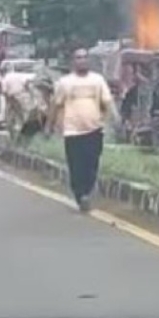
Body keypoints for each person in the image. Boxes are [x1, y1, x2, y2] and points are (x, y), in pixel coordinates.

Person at [45, 48, 120, 212]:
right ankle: (81, 195)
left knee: (92, 163)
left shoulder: (97, 80)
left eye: (85, 57)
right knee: (76, 165)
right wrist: (49, 126)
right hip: (73, 131)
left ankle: (87, 191)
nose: (82, 60)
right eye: (78, 58)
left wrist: (115, 118)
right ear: (74, 61)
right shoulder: (65, 82)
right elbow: (55, 105)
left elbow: (107, 101)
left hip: (94, 129)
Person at [0, 63, 35, 142]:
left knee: (11, 119)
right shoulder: (18, 75)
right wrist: (30, 95)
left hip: (13, 97)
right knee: (25, 116)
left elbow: (5, 93)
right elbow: (26, 84)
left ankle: (15, 137)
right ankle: (25, 134)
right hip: (24, 95)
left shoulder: (4, 79)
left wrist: (10, 105)